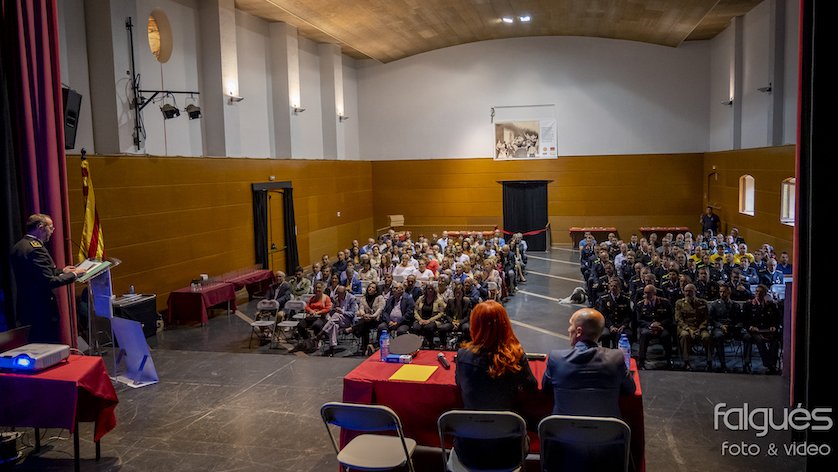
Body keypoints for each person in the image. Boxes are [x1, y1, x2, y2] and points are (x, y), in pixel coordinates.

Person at [454, 301, 537, 470]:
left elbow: (459, 384)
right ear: (505, 324)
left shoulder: (463, 356)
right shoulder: (516, 356)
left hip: (470, 451)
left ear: (475, 325)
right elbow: (532, 387)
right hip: (509, 451)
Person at [543, 307, 636, 418]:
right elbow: (630, 390)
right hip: (607, 432)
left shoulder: (556, 358)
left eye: (570, 325)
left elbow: (546, 390)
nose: (568, 330)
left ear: (578, 331)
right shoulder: (616, 358)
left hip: (564, 432)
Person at [9, 214, 86, 344]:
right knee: (47, 345)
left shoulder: (20, 246)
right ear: (40, 227)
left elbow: (38, 273)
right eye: (51, 227)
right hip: (41, 309)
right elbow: (48, 281)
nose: (52, 231)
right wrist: (74, 275)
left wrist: (63, 271)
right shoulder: (35, 249)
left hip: (27, 306)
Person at [742, 285, 781, 374]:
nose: (758, 294)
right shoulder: (749, 305)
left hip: (766, 329)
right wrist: (750, 327)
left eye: (761, 292)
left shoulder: (770, 305)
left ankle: (773, 363)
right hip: (755, 330)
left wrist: (774, 326)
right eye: (756, 291)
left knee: (775, 339)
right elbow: (744, 320)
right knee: (759, 339)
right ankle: (768, 363)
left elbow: (777, 318)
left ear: (765, 294)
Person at [635, 284, 674, 369]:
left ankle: (669, 360)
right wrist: (650, 325)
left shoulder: (665, 303)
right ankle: (641, 362)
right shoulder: (640, 304)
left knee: (666, 335)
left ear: (654, 292)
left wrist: (660, 324)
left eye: (649, 293)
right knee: (644, 335)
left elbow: (670, 318)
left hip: (661, 327)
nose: (646, 295)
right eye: (645, 293)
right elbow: (639, 320)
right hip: (648, 327)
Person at [675, 284, 712, 371]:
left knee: (706, 336)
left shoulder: (702, 302)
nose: (688, 293)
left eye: (690, 291)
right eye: (686, 291)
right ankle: (686, 362)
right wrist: (689, 329)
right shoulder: (679, 303)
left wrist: (701, 328)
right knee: (685, 335)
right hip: (686, 328)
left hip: (700, 328)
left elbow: (707, 318)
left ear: (695, 292)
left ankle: (709, 361)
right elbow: (678, 319)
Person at [291, 281, 332, 352]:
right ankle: (308, 341)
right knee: (300, 325)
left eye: (319, 288)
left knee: (316, 325)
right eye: (316, 288)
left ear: (323, 289)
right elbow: (307, 307)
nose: (317, 289)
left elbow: (328, 308)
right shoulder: (312, 298)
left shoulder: (326, 298)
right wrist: (310, 311)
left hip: (322, 317)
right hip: (311, 316)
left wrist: (318, 312)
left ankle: (317, 340)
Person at [595, 278, 633, 348]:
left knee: (628, 334)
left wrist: (624, 325)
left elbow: (628, 315)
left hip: (621, 325)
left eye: (615, 286)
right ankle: (605, 354)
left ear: (619, 287)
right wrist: (611, 326)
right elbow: (604, 315)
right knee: (605, 334)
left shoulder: (626, 299)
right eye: (611, 286)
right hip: (608, 325)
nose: (613, 288)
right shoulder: (604, 299)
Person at [352, 282, 385, 355]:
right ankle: (367, 347)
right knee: (365, 325)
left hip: (377, 319)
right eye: (369, 287)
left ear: (376, 291)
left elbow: (380, 309)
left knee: (364, 324)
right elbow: (361, 308)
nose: (370, 288)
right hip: (366, 319)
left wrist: (372, 316)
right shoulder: (363, 298)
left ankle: (353, 329)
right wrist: (364, 315)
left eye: (373, 287)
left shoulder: (380, 298)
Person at [412, 283, 446, 348]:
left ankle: (430, 344)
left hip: (434, 320)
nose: (430, 290)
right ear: (426, 290)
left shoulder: (439, 300)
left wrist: (429, 320)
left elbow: (441, 313)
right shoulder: (420, 299)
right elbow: (415, 311)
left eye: (432, 289)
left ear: (434, 290)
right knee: (416, 327)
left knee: (428, 327)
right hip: (421, 319)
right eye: (428, 289)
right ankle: (417, 345)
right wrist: (420, 319)